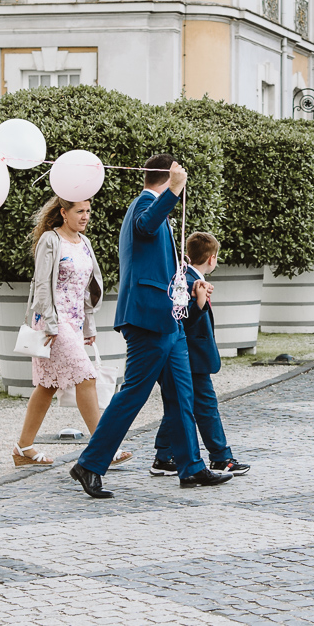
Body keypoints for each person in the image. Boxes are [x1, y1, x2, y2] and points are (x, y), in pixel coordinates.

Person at [69, 155, 230, 498]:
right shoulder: (144, 204)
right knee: (133, 395)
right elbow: (146, 226)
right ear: (167, 176)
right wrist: (173, 189)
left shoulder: (157, 209)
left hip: (168, 319)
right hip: (147, 317)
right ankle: (90, 463)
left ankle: (192, 468)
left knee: (181, 396)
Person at [10, 196, 131, 468]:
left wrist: (88, 326)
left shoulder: (85, 243)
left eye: (88, 211)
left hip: (74, 323)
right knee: (86, 377)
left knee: (48, 385)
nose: (86, 216)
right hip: (54, 322)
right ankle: (103, 447)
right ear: (64, 213)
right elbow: (42, 284)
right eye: (80, 211)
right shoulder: (50, 240)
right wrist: (51, 324)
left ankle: (23, 447)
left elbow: (88, 289)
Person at [150, 232, 250, 477]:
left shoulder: (189, 276)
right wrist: (200, 304)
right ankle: (220, 456)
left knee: (180, 404)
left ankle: (163, 455)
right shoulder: (186, 280)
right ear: (212, 258)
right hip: (190, 354)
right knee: (205, 405)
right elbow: (182, 319)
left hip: (192, 353)